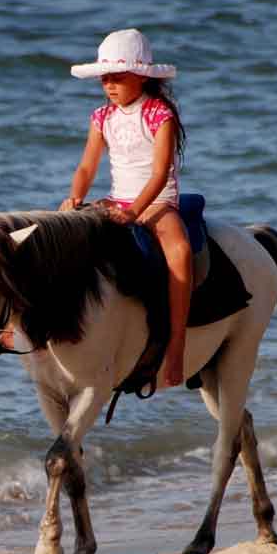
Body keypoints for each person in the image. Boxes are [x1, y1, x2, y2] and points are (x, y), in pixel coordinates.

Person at [60, 29, 191, 388]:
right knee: (62, 236)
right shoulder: (102, 117)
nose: (110, 85)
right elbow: (87, 165)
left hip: (157, 202)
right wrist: (75, 196)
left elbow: (160, 171)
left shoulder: (157, 113)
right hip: (116, 199)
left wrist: (135, 212)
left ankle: (177, 343)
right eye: (105, 78)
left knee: (179, 252)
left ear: (142, 76)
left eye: (118, 76)